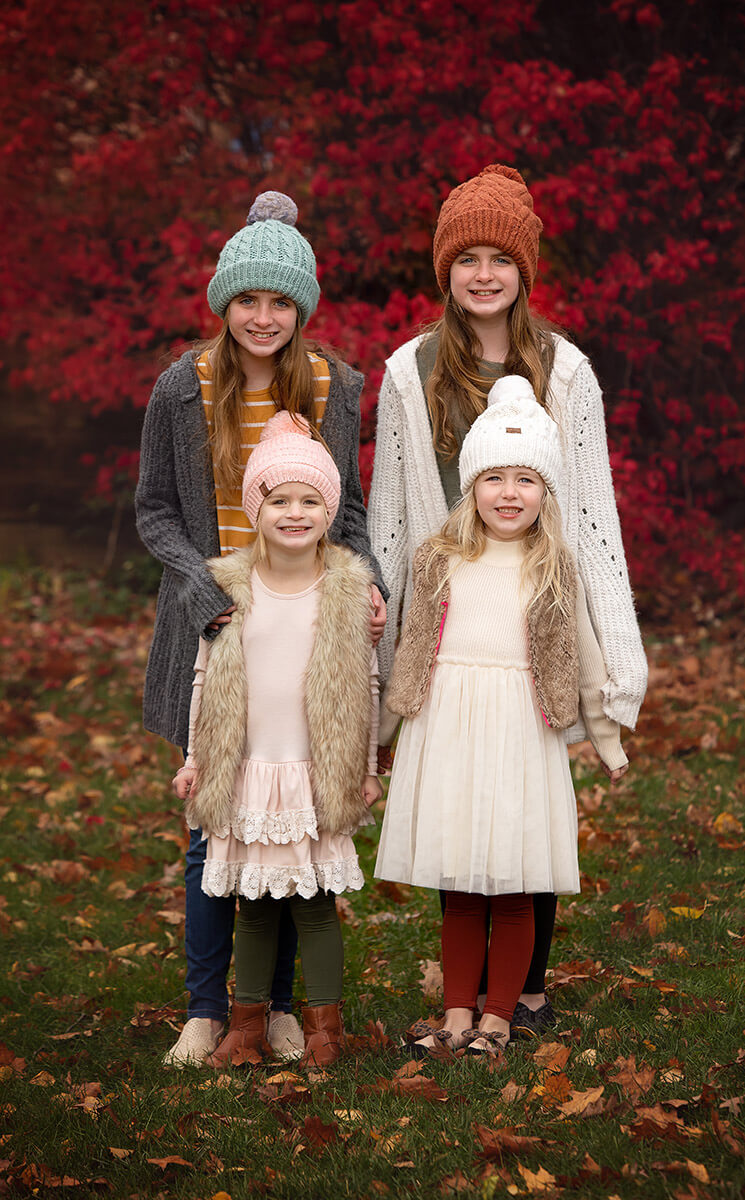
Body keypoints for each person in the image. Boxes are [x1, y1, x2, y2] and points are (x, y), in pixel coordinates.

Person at [367, 164, 647, 1039]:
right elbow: (390, 519)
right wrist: (382, 653)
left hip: (538, 615)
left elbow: (593, 517)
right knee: (461, 798)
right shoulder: (409, 373)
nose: (483, 275)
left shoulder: (567, 371)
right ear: (444, 271)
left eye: (500, 259)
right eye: (467, 259)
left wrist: (617, 655)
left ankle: (523, 992)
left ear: (524, 271)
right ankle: (468, 995)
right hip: (451, 623)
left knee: (527, 801)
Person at [135, 190, 387, 1068]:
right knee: (214, 827)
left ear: (302, 308)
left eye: (281, 301)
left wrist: (367, 584)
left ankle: (278, 1006)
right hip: (215, 624)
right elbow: (156, 511)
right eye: (248, 299)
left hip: (304, 629)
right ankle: (208, 1009)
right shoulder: (183, 387)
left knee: (293, 818)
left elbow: (348, 512)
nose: (264, 317)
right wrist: (203, 583)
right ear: (224, 302)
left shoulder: (336, 387)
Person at [375, 377, 628, 1056]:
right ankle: (457, 1014)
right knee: (460, 887)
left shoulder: (554, 566)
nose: (509, 493)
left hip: (519, 733)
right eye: (494, 478)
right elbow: (410, 652)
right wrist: (378, 739)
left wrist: (607, 740)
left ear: (546, 491)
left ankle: (498, 1018)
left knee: (515, 886)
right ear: (471, 486)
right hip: (448, 731)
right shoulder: (438, 559)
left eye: (526, 479)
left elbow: (584, 656)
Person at [172, 413, 381, 1068]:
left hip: (315, 771)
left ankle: (324, 1032)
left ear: (330, 509)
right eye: (279, 500)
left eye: (310, 500)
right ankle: (246, 1027)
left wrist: (367, 767)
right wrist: (195, 759)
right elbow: (203, 679)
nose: (295, 513)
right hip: (249, 771)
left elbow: (367, 684)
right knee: (254, 906)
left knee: (315, 905)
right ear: (255, 511)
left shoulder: (347, 590)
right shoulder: (229, 588)